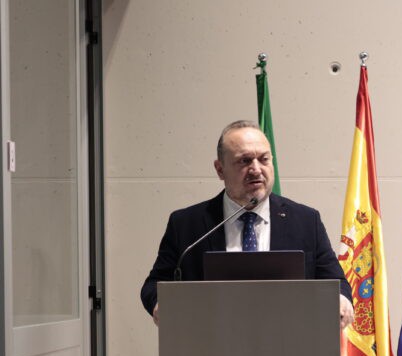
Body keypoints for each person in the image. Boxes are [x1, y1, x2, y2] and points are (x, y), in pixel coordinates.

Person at [140, 120, 354, 327]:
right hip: (210, 342)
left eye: (264, 159)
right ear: (220, 169)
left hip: (288, 342)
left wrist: (341, 299)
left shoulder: (305, 221)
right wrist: (160, 304)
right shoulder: (186, 224)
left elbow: (336, 282)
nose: (256, 169)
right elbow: (154, 285)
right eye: (244, 161)